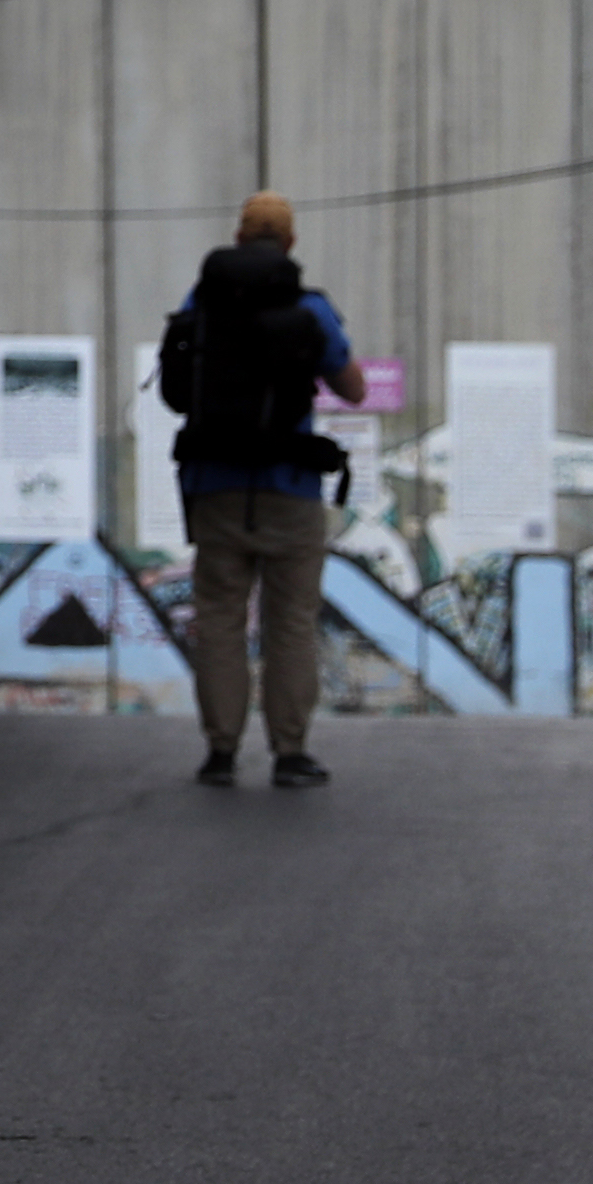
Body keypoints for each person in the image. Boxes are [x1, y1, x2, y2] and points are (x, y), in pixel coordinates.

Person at [170, 191, 359, 790]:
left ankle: (221, 753)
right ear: (291, 243)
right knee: (291, 624)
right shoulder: (310, 309)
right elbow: (352, 388)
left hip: (213, 487)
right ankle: (290, 753)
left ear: (238, 235)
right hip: (290, 488)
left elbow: (174, 384)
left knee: (221, 620)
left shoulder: (199, 303)